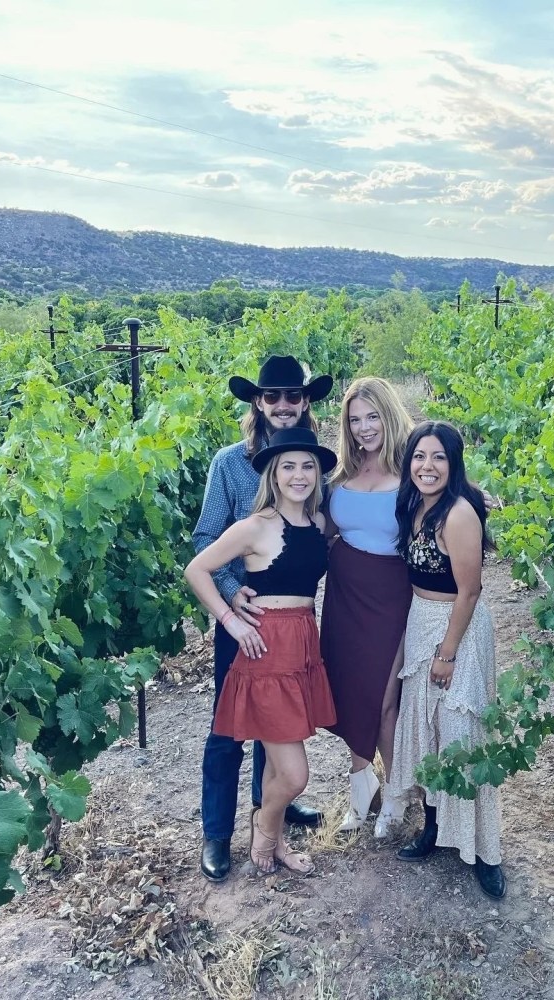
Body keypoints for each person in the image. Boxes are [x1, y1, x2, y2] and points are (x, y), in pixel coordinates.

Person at [192, 356, 329, 883]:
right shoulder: (228, 463)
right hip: (245, 613)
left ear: (305, 402)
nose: (283, 404)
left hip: (294, 626)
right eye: (273, 396)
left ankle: (271, 811)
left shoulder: (312, 467)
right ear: (258, 401)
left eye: (293, 396)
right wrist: (234, 599)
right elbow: (207, 540)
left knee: (278, 724)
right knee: (228, 728)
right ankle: (218, 832)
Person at [390, 421, 506, 899]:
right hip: (421, 619)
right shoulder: (414, 505)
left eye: (438, 457)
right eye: (419, 456)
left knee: (462, 733)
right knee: (427, 730)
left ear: (453, 463)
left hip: (457, 627)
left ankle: (486, 852)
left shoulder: (458, 514)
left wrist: (448, 652)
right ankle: (434, 829)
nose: (427, 466)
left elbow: (470, 590)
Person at [320, 377, 415, 835]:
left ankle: (397, 793)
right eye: (355, 419)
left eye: (372, 416)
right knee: (349, 691)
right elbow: (323, 532)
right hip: (344, 597)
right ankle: (362, 785)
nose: (364, 427)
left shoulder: (412, 470)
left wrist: (477, 498)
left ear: (389, 415)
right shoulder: (339, 476)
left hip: (392, 596)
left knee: (384, 700)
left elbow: (450, 494)